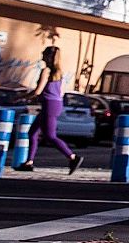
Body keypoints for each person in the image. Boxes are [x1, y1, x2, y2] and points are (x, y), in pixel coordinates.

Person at [15, 46, 83, 174]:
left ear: (48, 56)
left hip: (49, 104)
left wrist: (22, 97)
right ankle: (29, 162)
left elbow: (38, 91)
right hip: (56, 103)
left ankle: (72, 157)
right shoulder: (59, 72)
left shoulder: (46, 70)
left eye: (44, 53)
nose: (41, 54)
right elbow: (61, 91)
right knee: (32, 133)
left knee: (50, 135)